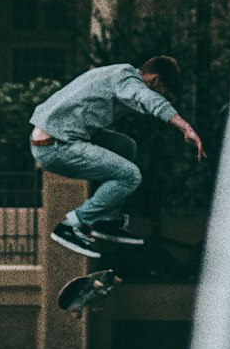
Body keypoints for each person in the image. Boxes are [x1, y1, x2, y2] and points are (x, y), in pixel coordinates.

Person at [30, 55, 205, 256]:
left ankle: (106, 220)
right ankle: (71, 224)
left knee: (125, 146)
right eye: (162, 91)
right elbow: (147, 99)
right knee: (130, 176)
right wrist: (186, 128)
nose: (161, 95)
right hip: (56, 146)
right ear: (154, 80)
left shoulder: (118, 71)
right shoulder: (129, 81)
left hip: (56, 135)